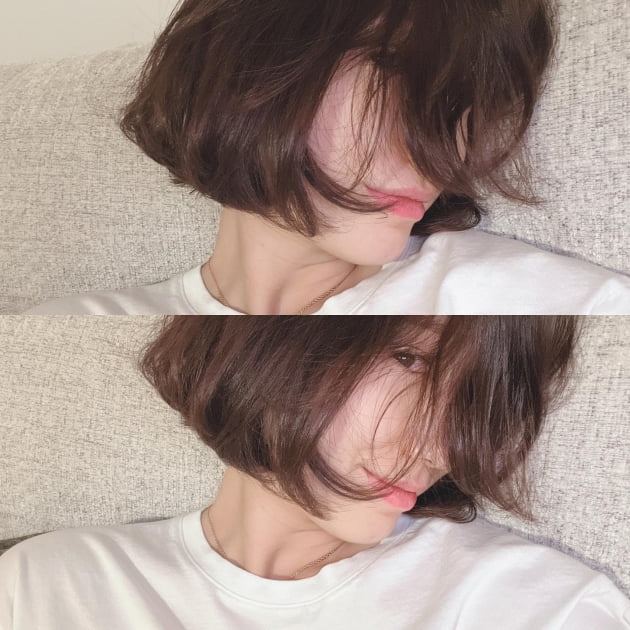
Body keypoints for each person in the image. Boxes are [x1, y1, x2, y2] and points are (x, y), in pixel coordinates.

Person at [1, 315, 629, 629]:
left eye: (475, 401)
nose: (439, 444)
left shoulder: (535, 606)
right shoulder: (47, 583)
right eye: (409, 359)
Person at [22, 1, 630, 315]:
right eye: (398, 74)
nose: (447, 150)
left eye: (466, 111)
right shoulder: (70, 316)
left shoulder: (534, 297)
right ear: (251, 60)